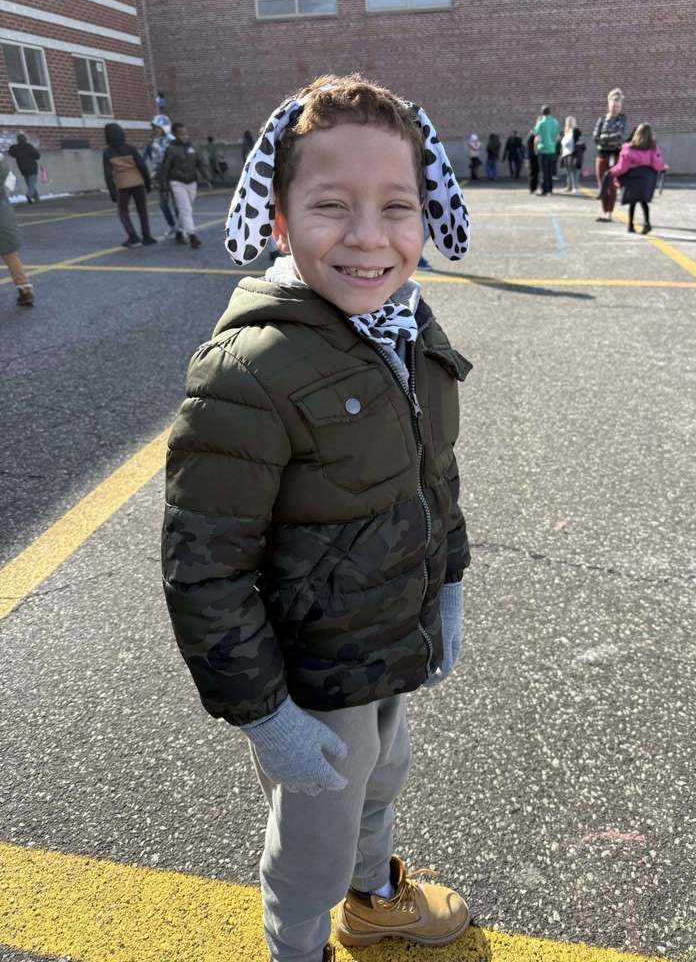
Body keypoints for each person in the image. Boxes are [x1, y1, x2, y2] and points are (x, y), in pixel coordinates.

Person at [162, 72, 473, 962]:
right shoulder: (248, 369)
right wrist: (263, 714)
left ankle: (373, 901)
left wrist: (447, 583)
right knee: (311, 846)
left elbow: (434, 472)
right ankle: (294, 947)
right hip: (308, 676)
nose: (371, 238)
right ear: (280, 221)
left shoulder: (405, 324)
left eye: (397, 206)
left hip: (384, 640)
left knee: (383, 778)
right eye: (333, 205)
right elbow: (204, 566)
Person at [605, 122, 667, 234]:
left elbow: (622, 167)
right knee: (644, 202)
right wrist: (663, 166)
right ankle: (647, 223)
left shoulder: (628, 149)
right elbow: (656, 163)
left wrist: (611, 172)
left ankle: (630, 225)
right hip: (646, 178)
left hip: (633, 178)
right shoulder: (652, 148)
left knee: (632, 202)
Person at [102, 123, 155, 248]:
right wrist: (148, 182)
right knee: (142, 209)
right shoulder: (130, 148)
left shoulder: (107, 152)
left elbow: (108, 175)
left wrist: (112, 192)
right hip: (137, 181)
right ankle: (147, 236)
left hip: (122, 184)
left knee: (123, 211)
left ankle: (133, 237)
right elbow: (142, 166)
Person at [158, 123, 210, 248]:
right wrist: (164, 187)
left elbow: (200, 163)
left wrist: (208, 178)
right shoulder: (171, 149)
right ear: (175, 135)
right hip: (177, 182)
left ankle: (179, 232)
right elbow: (165, 168)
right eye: (181, 134)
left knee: (186, 210)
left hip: (191, 182)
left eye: (186, 133)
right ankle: (192, 236)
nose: (185, 136)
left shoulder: (193, 147)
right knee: (185, 209)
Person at [0, 155, 34, 305]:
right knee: (11, 255)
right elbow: (9, 185)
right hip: (3, 212)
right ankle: (24, 289)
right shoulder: (3, 166)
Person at [593, 88, 627, 222]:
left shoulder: (622, 118)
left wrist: (605, 137)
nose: (615, 108)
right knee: (602, 184)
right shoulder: (602, 119)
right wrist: (608, 138)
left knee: (612, 185)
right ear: (609, 104)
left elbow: (620, 136)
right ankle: (603, 210)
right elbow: (595, 137)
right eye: (613, 105)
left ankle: (609, 212)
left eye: (618, 106)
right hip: (602, 155)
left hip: (615, 155)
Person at [143, 114, 176, 238]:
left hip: (173, 176)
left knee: (177, 204)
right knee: (163, 204)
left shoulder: (172, 141)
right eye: (154, 128)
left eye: (157, 127)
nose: (155, 130)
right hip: (161, 177)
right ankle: (173, 226)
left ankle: (181, 228)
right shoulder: (153, 142)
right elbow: (149, 159)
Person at [532, 106, 560, 196]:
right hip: (552, 149)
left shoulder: (541, 123)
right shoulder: (555, 122)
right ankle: (550, 189)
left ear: (542, 113)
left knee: (543, 171)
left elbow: (535, 134)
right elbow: (557, 137)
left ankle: (544, 190)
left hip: (543, 149)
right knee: (550, 171)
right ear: (550, 112)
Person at [7, 133, 41, 203]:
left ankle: (36, 197)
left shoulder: (15, 148)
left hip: (22, 167)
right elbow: (37, 155)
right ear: (25, 139)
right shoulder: (28, 146)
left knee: (29, 183)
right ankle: (29, 195)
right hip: (32, 167)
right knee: (32, 183)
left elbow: (11, 152)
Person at [560, 116, 582, 192]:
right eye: (568, 121)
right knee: (568, 171)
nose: (569, 123)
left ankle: (574, 187)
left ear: (573, 122)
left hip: (573, 153)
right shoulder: (566, 131)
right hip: (566, 154)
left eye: (570, 121)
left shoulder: (575, 130)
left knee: (574, 171)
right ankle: (568, 187)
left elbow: (578, 141)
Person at [526, 128, 539, 193]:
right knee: (534, 173)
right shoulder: (533, 137)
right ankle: (533, 188)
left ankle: (532, 188)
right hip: (534, 157)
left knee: (532, 173)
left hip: (531, 157)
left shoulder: (529, 137)